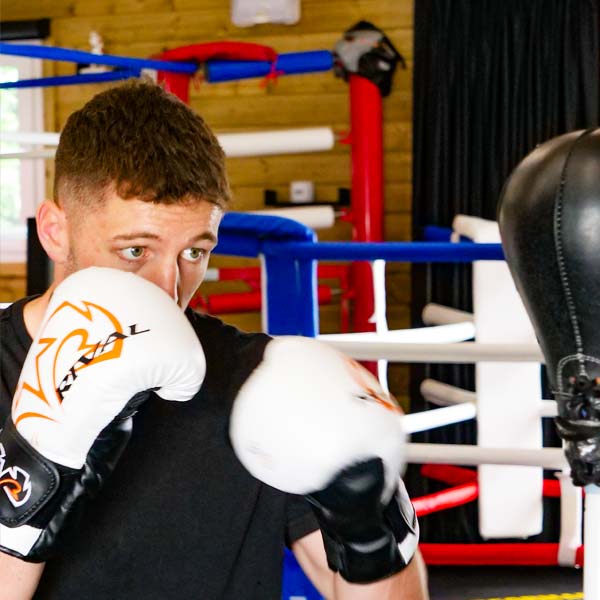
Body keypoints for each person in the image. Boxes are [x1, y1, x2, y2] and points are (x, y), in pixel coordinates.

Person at [0, 79, 428, 599]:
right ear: (54, 231)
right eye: (135, 250)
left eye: (195, 252)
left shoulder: (256, 383)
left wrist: (370, 530)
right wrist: (30, 480)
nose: (167, 286)